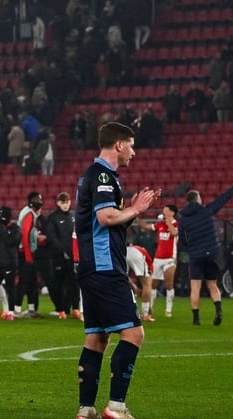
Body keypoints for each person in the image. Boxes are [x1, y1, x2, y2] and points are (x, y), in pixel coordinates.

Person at [74, 121, 159, 419]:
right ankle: (117, 408)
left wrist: (131, 211)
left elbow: (106, 221)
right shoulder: (103, 175)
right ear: (119, 144)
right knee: (134, 334)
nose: (134, 152)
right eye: (132, 145)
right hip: (104, 265)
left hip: (91, 265)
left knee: (96, 337)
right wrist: (136, 210)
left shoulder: (93, 175)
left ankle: (86, 409)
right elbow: (106, 217)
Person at [177, 183, 233, 326]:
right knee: (212, 284)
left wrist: (190, 249)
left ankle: (196, 320)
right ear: (198, 199)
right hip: (211, 253)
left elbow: (182, 239)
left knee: (195, 287)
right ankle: (218, 309)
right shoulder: (206, 211)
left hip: (195, 254)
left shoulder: (183, 218)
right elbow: (222, 200)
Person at [45, 192, 81, 320]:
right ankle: (61, 310)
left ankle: (75, 309)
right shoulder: (53, 218)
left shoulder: (73, 216)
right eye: (63, 202)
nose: (65, 205)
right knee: (58, 284)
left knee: (74, 283)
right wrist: (62, 251)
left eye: (67, 202)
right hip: (58, 257)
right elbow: (52, 237)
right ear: (58, 203)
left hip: (73, 257)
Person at [16, 191, 46, 318]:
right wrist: (28, 256)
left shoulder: (30, 212)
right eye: (37, 200)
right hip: (25, 253)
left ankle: (31, 309)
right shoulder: (29, 214)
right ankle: (16, 309)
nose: (39, 202)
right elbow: (25, 235)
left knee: (32, 281)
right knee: (24, 281)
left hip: (28, 252)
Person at [149, 205, 178, 318]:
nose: (163, 211)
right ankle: (149, 308)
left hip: (170, 258)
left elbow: (174, 233)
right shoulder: (160, 224)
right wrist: (137, 219)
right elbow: (149, 227)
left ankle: (168, 310)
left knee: (169, 284)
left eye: (166, 210)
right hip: (158, 258)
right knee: (153, 284)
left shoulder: (176, 224)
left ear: (172, 212)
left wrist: (168, 222)